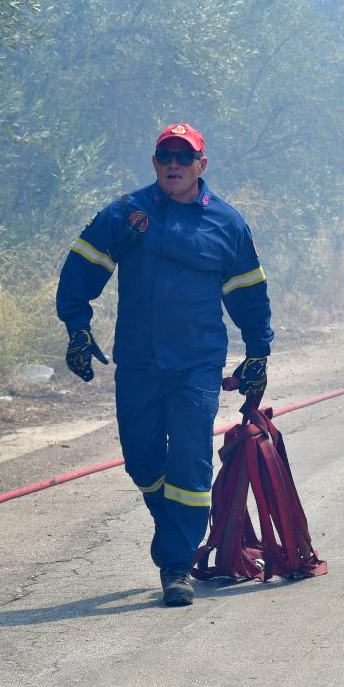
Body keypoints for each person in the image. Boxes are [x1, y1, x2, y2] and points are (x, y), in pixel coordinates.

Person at [55, 123, 273, 607]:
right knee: (142, 460)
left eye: (183, 156)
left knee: (190, 459)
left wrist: (258, 350)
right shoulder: (127, 214)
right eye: (164, 155)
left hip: (196, 364)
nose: (173, 164)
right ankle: (169, 521)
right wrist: (77, 326)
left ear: (202, 164)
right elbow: (82, 268)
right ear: (155, 162)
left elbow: (248, 293)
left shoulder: (227, 224)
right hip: (138, 361)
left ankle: (175, 564)